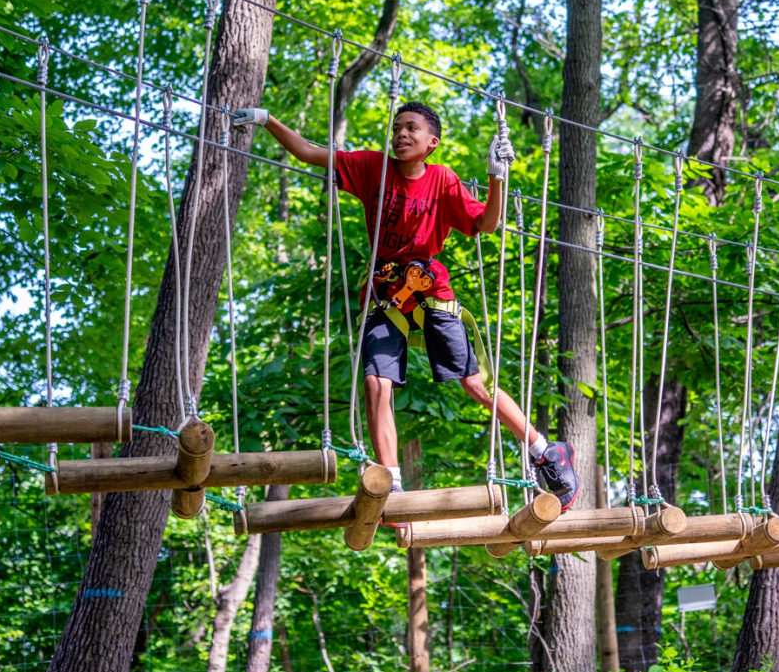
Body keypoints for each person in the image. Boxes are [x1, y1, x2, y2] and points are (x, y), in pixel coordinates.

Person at [231, 101, 580, 510]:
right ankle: (391, 483)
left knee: (473, 384)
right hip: (383, 292)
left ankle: (545, 451)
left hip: (430, 290)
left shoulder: (444, 181)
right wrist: (268, 119)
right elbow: (308, 152)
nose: (401, 134)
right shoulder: (370, 167)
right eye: (397, 127)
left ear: (432, 142)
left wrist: (496, 178)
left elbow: (486, 224)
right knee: (376, 384)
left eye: (412, 128)